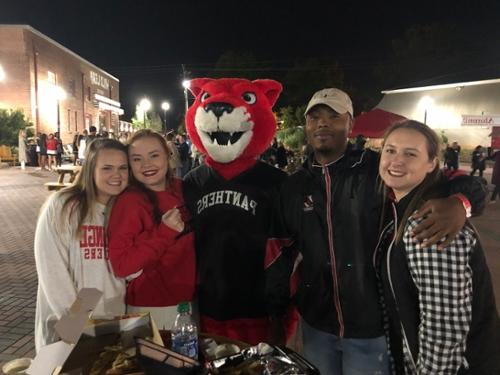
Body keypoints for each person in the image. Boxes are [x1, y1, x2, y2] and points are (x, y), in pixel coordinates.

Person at [266, 88, 483, 375]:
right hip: (316, 324)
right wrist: (276, 315)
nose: (322, 123)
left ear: (350, 124)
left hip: (372, 327)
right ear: (305, 125)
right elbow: (280, 253)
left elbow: (448, 181)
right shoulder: (294, 186)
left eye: (333, 116)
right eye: (315, 117)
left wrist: (461, 203)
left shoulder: (377, 169)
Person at [376, 120, 499, 374]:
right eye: (390, 150)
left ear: (432, 163)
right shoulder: (402, 208)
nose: (396, 160)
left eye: (411, 154)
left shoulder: (429, 223)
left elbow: (443, 329)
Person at [34, 138, 129, 352]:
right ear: (90, 169)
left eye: (123, 168)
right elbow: (52, 271)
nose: (117, 175)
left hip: (113, 314)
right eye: (107, 168)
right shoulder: (64, 205)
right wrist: (76, 328)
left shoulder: (125, 210)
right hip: (68, 319)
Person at [108, 129, 196, 330]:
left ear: (168, 154)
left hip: (188, 303)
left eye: (154, 155)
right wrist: (164, 232)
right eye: (137, 159)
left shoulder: (182, 188)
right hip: (151, 307)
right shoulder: (130, 201)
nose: (146, 164)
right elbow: (122, 265)